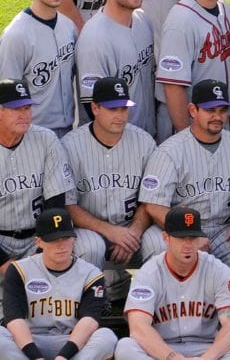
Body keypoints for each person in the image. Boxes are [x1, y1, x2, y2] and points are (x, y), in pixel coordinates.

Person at [139, 79, 230, 299]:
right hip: (178, 229)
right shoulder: (170, 151)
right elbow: (153, 205)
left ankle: (223, 316)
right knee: (155, 244)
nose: (217, 117)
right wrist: (190, 236)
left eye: (222, 110)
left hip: (221, 228)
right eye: (210, 110)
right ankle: (164, 314)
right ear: (193, 110)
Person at [114, 207, 230, 360]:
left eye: (192, 237)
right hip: (162, 349)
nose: (188, 245)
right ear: (166, 238)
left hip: (207, 348)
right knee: (126, 347)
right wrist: (173, 357)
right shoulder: (149, 273)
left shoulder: (219, 271)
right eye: (181, 238)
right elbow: (138, 327)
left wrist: (207, 358)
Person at [63, 78, 156, 272]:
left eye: (124, 108)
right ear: (95, 108)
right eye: (113, 109)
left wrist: (133, 233)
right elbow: (67, 204)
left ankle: (147, 301)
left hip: (133, 227)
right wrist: (110, 231)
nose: (120, 115)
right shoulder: (69, 145)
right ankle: (90, 302)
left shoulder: (145, 142)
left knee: (159, 243)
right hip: (89, 229)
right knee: (89, 248)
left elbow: (152, 199)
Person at [0, 208, 116, 360]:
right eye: (53, 239)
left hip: (71, 341)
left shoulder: (91, 273)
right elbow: (14, 319)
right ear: (39, 242)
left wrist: (63, 357)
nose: (61, 245)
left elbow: (90, 320)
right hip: (30, 340)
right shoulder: (19, 270)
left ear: (74, 239)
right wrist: (36, 357)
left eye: (66, 237)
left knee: (107, 337)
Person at [156, 0, 230, 134]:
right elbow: (173, 86)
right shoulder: (181, 22)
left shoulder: (224, 8)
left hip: (216, 119)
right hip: (187, 125)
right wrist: (188, 138)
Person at [76, 0, 156, 138]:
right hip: (115, 143)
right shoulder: (95, 38)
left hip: (148, 137)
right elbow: (93, 105)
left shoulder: (142, 21)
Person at [0, 0, 77, 137]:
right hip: (32, 134)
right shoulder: (16, 35)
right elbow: (6, 95)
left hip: (69, 131)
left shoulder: (68, 27)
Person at [0, 79, 73, 271]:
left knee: (81, 249)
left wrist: (43, 249)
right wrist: (3, 263)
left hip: (39, 238)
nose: (25, 115)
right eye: (17, 109)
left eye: (27, 108)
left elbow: (55, 202)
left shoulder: (46, 139)